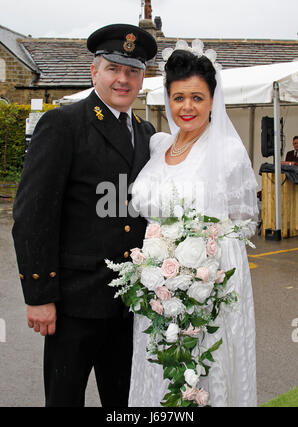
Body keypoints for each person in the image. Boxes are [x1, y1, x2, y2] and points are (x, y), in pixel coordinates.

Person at [12, 23, 157, 407]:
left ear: (143, 78)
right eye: (113, 68)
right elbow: (33, 214)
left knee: (123, 403)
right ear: (94, 72)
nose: (122, 79)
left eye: (132, 71)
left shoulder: (146, 133)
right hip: (74, 303)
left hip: (129, 307)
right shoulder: (64, 124)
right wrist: (39, 294)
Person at [129, 43, 258, 407]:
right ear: (168, 99)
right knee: (160, 372)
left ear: (213, 100)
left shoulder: (227, 153)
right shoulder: (158, 146)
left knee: (200, 376)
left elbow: (243, 223)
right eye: (179, 97)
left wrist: (199, 271)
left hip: (206, 291)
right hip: (157, 290)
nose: (187, 107)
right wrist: (162, 269)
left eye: (198, 97)